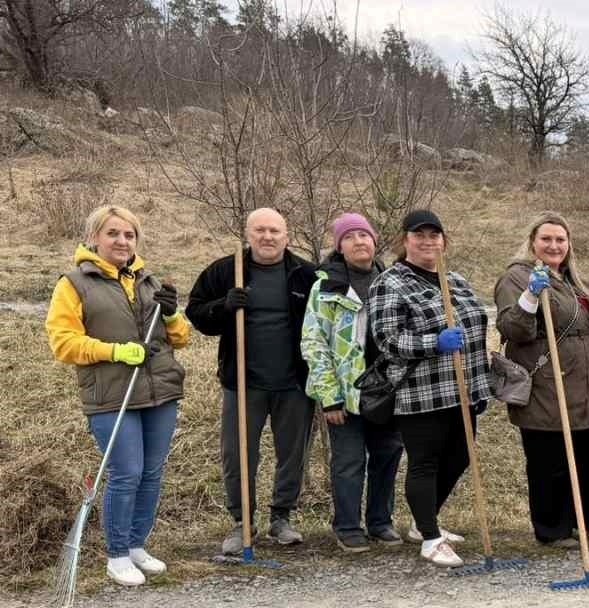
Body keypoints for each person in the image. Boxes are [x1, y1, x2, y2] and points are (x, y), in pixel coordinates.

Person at [47, 205, 189, 586]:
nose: (121, 241)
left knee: (152, 473)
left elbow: (180, 339)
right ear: (94, 238)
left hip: (160, 392)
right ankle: (117, 554)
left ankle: (138, 545)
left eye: (129, 235)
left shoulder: (148, 280)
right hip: (112, 394)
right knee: (126, 473)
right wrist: (114, 351)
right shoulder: (75, 284)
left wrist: (173, 315)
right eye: (113, 234)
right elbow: (63, 343)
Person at [187, 207, 317, 555]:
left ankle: (281, 518)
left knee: (293, 453)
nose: (267, 237)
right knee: (238, 455)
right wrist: (223, 307)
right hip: (243, 382)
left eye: (275, 231)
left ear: (287, 236)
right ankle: (242, 521)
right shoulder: (228, 270)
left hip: (294, 383)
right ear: (248, 234)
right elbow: (196, 312)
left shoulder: (305, 274)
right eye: (260, 230)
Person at [367, 210, 492, 567]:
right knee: (425, 463)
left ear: (443, 240)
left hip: (463, 389)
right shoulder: (391, 282)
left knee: (460, 456)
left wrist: (478, 383)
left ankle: (425, 523)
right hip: (421, 392)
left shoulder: (454, 279)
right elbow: (387, 340)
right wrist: (433, 342)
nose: (427, 241)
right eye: (418, 235)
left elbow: (477, 327)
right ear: (404, 240)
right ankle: (430, 539)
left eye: (434, 235)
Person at [495, 212, 589, 548]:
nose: (554, 245)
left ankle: (582, 515)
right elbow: (513, 329)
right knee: (550, 462)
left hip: (588, 387)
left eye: (561, 239)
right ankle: (551, 528)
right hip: (549, 385)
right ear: (533, 241)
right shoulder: (517, 277)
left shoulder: (575, 280)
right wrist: (531, 296)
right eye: (546, 239)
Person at [301, 213, 404, 552]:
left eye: (365, 235)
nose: (360, 241)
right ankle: (347, 526)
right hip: (345, 393)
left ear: (375, 242)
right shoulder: (326, 287)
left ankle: (380, 521)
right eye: (350, 236)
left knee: (387, 456)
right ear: (339, 246)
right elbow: (314, 343)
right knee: (348, 462)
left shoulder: (391, 281)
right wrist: (328, 396)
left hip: (386, 390)